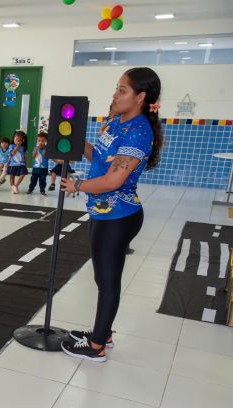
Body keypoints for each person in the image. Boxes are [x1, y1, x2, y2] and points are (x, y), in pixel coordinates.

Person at [60, 67, 162, 361]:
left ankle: (96, 346)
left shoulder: (139, 131)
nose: (115, 95)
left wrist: (77, 184)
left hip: (119, 217)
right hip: (103, 213)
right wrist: (76, 142)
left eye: (122, 90)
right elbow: (101, 159)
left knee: (108, 281)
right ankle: (102, 332)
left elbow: (114, 180)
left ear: (141, 97)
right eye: (116, 88)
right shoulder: (117, 122)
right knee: (102, 279)